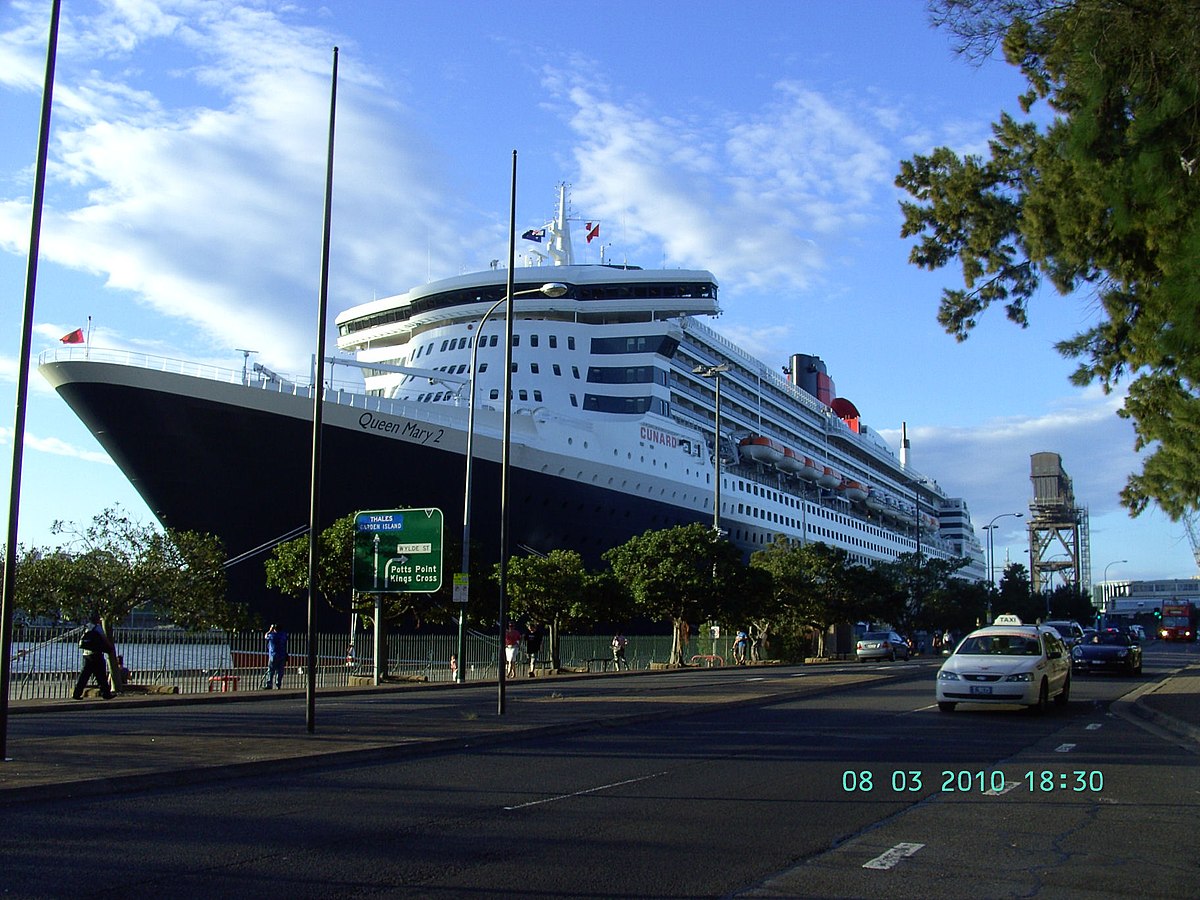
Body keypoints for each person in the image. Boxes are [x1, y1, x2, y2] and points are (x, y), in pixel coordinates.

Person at [73, 613, 115, 700]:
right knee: (101, 675)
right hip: (96, 654)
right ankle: (106, 693)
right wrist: (110, 647)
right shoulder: (97, 627)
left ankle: (76, 693)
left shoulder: (87, 627)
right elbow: (104, 638)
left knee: (84, 675)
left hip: (86, 654)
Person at [263, 624, 288, 689]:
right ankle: (278, 684)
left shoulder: (272, 635)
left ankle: (269, 684)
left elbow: (265, 636)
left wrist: (270, 630)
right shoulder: (283, 635)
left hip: (273, 655)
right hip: (282, 655)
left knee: (271, 670)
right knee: (280, 671)